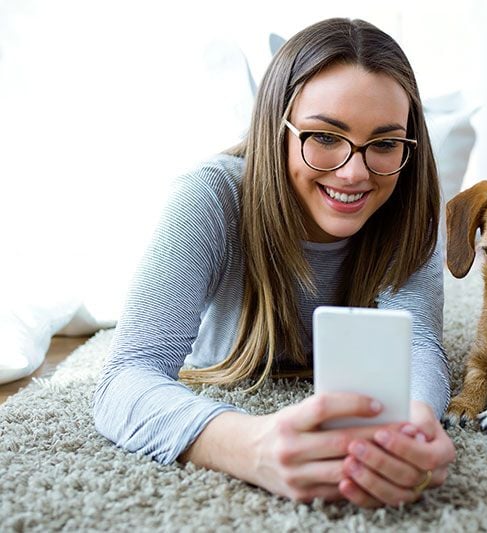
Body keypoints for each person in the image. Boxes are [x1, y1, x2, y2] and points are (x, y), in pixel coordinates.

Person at [92, 18, 455, 508]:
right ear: (277, 129)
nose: (354, 172)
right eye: (324, 136)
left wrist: (415, 424)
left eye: (386, 144)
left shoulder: (410, 206)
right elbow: (125, 376)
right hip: (219, 370)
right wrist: (250, 446)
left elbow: (420, 343)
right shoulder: (209, 196)